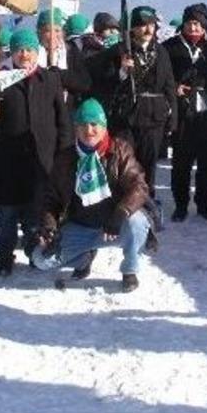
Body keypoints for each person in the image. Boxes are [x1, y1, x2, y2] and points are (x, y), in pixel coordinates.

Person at [32, 99, 155, 291]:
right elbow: (51, 198)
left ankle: (129, 270)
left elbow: (138, 187)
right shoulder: (66, 157)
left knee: (136, 222)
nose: (88, 131)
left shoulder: (119, 150)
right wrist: (49, 226)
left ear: (104, 126)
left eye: (93, 124)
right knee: (40, 259)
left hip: (113, 226)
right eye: (82, 125)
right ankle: (83, 258)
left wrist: (120, 213)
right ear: (75, 128)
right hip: (81, 226)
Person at [0, 28, 70, 276]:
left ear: (36, 52)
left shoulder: (48, 79)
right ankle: (4, 257)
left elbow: (62, 118)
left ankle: (33, 252)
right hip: (8, 160)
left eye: (29, 49)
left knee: (35, 214)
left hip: (41, 161)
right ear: (12, 53)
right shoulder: (0, 79)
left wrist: (64, 151)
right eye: (19, 50)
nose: (24, 55)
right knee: (6, 216)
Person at [91, 5, 176, 200]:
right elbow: (101, 80)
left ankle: (146, 204)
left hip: (154, 118)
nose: (148, 30)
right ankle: (122, 206)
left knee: (148, 167)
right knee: (124, 165)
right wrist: (121, 71)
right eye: (142, 25)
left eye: (151, 25)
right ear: (132, 28)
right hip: (126, 118)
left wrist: (173, 117)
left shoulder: (161, 52)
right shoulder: (118, 50)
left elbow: (169, 85)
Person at [163, 3, 207, 221]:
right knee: (181, 164)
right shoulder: (169, 47)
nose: (193, 27)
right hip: (182, 114)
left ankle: (204, 205)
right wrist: (175, 87)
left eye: (197, 23)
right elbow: (162, 77)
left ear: (205, 25)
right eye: (189, 22)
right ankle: (181, 206)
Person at [37, 7, 92, 101]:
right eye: (48, 31)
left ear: (63, 33)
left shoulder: (71, 51)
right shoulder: (33, 54)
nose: (53, 35)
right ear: (39, 32)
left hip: (66, 109)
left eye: (57, 30)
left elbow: (85, 83)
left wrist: (61, 75)